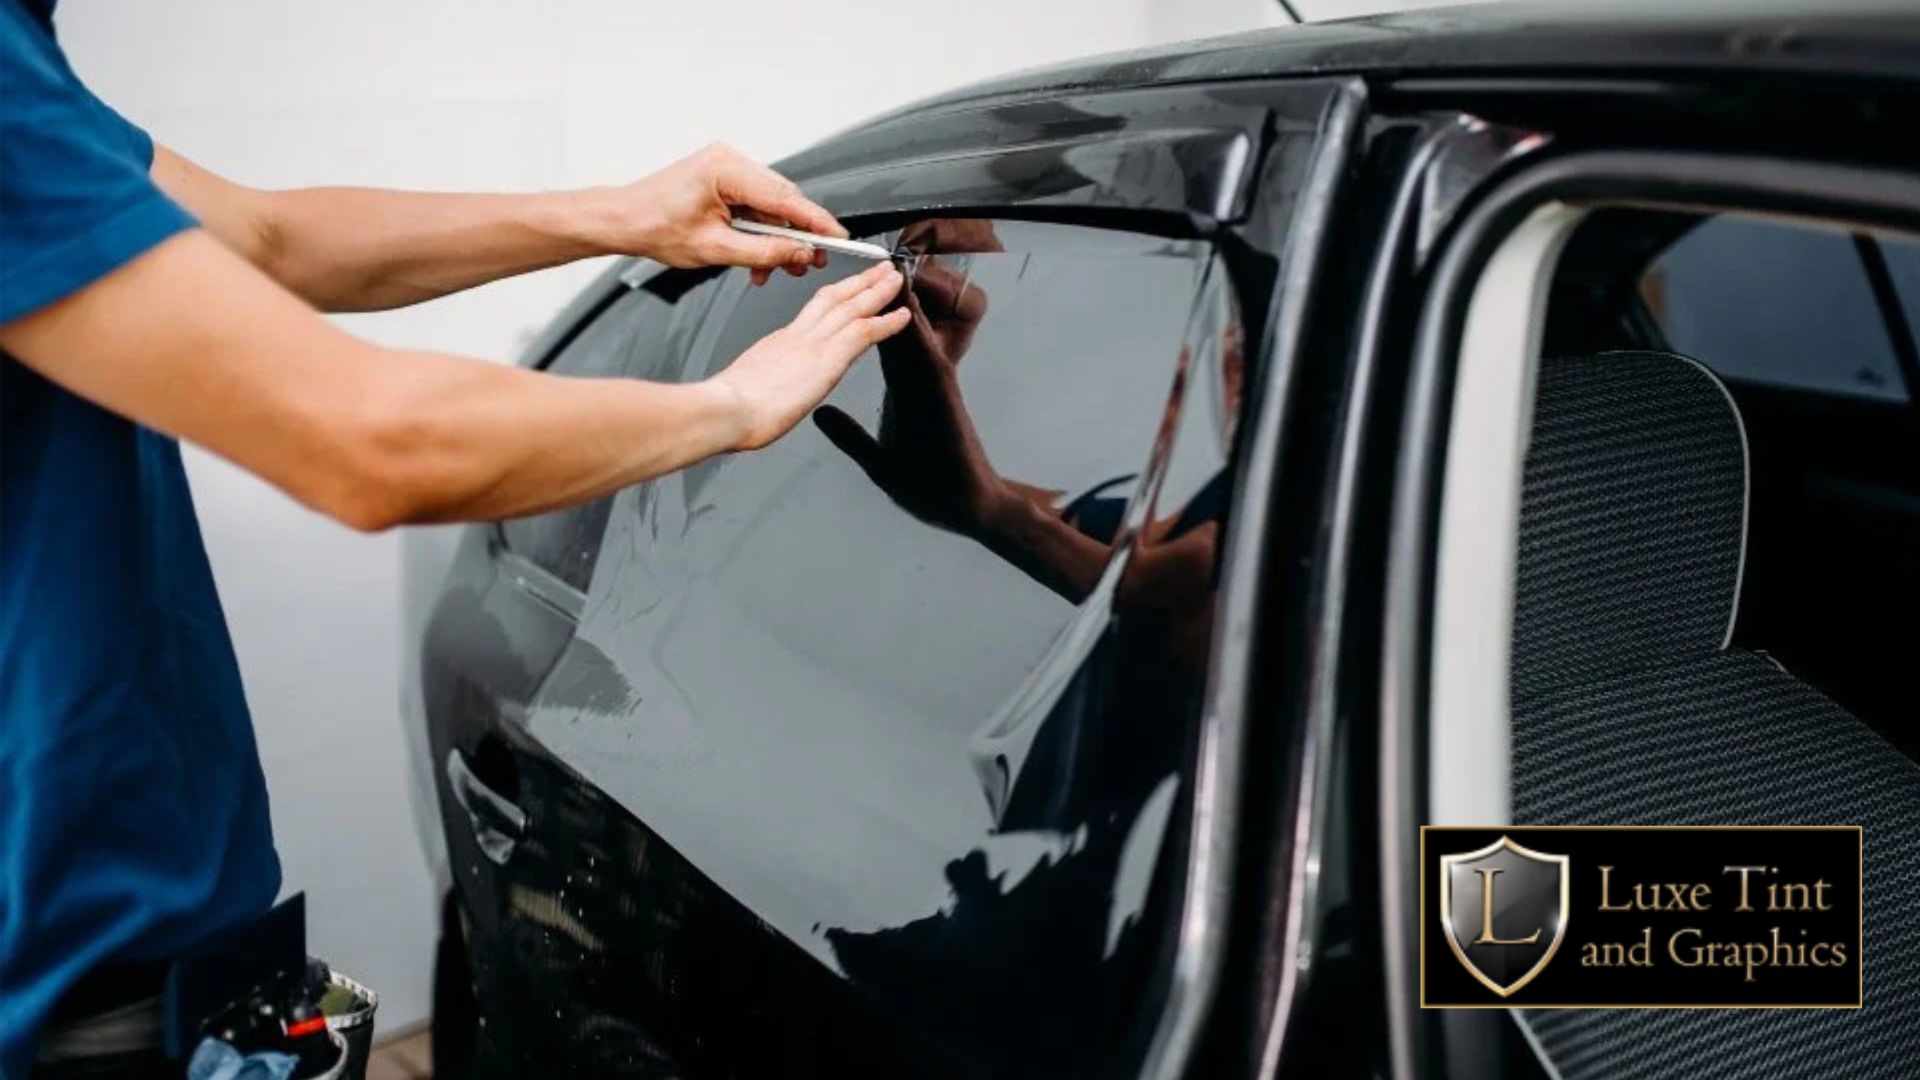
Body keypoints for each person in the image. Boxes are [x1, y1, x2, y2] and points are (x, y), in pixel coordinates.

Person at [0, 0, 908, 1073]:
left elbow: (266, 239)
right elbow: (372, 443)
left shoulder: (25, 67)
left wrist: (622, 213)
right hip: (66, 995)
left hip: (136, 947)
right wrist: (732, 408)